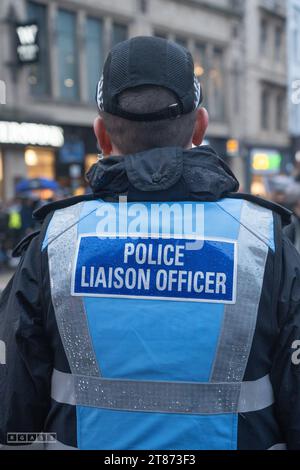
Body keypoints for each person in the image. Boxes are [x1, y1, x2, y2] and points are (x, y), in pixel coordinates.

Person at [0, 36, 300, 451]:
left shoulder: (56, 240)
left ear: (102, 135)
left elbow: (12, 407)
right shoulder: (264, 239)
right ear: (200, 127)